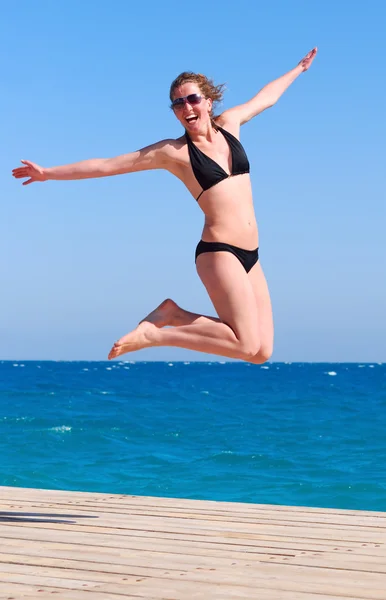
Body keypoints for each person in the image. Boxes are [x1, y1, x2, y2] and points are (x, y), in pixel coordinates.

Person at [12, 48, 317, 363]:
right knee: (244, 343)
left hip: (251, 255)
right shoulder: (174, 152)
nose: (187, 107)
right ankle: (156, 335)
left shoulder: (230, 125)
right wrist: (47, 173)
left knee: (261, 352)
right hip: (219, 251)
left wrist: (298, 69)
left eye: (193, 99)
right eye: (178, 103)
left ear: (208, 102)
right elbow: (107, 165)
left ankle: (172, 313)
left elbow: (266, 98)